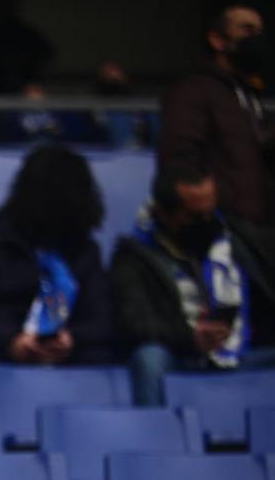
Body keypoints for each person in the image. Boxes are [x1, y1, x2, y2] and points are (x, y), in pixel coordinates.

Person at [0, 144, 116, 404]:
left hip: (66, 349)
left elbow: (104, 319)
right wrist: (11, 339)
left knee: (100, 359)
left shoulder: (85, 250)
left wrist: (71, 339)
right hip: (0, 345)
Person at [109, 167, 275, 406]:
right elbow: (134, 325)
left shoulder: (233, 239)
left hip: (243, 352)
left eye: (210, 212)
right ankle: (156, 427)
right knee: (149, 358)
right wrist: (191, 338)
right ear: (163, 214)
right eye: (194, 216)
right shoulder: (133, 258)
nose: (207, 222)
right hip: (181, 355)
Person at [159, 4, 274, 225]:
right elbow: (179, 157)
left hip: (257, 230)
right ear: (218, 40)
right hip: (221, 228)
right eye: (247, 30)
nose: (256, 39)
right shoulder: (194, 90)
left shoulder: (249, 95)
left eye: (260, 32)